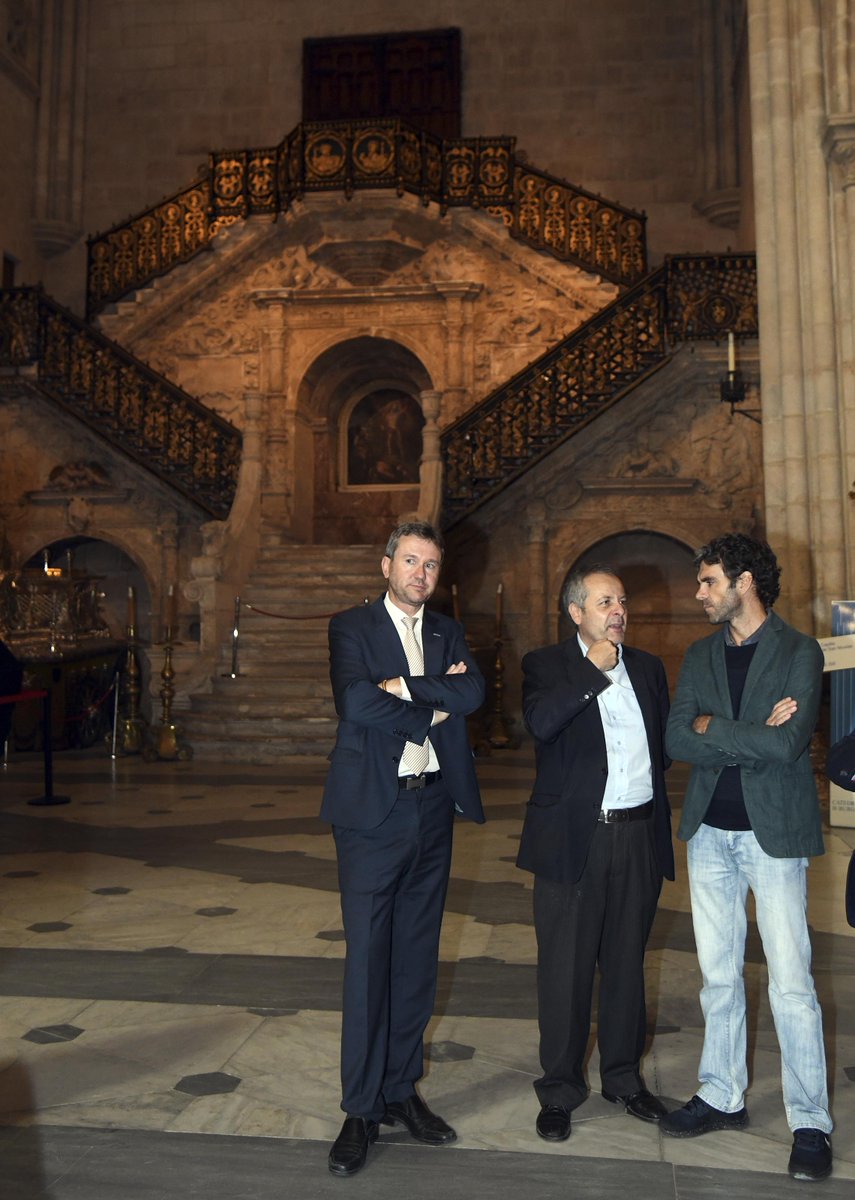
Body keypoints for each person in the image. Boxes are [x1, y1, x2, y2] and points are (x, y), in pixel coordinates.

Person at [662, 533, 832, 1183]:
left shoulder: (798, 651)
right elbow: (679, 735)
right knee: (717, 976)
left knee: (790, 983)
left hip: (773, 839)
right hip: (709, 835)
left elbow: (788, 743)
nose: (698, 593)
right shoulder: (699, 653)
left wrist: (720, 732)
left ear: (744, 583)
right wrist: (747, 733)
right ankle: (720, 1093)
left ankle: (809, 1119)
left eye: (708, 582)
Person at [321, 521, 485, 1177]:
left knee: (416, 959)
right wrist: (432, 706)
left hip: (432, 806)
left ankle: (398, 1091)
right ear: (385, 564)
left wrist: (409, 688)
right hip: (370, 815)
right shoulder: (351, 627)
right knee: (368, 963)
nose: (420, 573)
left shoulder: (447, 631)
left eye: (430, 564)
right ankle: (359, 1108)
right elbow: (355, 703)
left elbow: (471, 692)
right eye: (410, 561)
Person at [516, 565, 674, 1142]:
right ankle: (559, 1089)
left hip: (638, 835)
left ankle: (625, 1079)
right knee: (566, 969)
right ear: (576, 612)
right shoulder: (546, 665)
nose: (619, 610)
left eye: (623, 600)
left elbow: (664, 748)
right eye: (606, 600)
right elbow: (541, 723)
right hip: (572, 840)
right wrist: (592, 672)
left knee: (628, 964)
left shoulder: (651, 668)